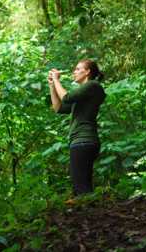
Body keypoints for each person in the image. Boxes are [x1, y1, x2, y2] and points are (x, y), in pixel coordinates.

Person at [48, 59, 106, 196]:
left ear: (87, 72)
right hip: (80, 141)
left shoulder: (93, 86)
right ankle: (91, 209)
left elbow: (66, 97)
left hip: (83, 139)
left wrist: (57, 80)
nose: (74, 71)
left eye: (78, 69)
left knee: (81, 187)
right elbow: (59, 108)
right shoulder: (83, 93)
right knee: (82, 184)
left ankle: (90, 213)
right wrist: (52, 85)